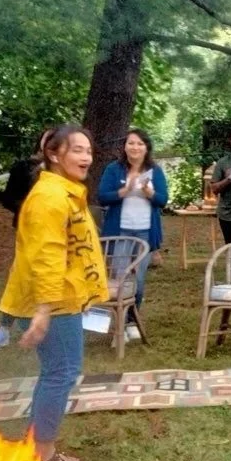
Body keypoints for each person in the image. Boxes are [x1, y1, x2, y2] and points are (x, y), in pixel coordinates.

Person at [0, 125, 108, 461]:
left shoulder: (63, 191)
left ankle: (36, 447)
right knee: (60, 374)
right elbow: (47, 256)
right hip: (55, 302)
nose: (86, 157)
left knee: (57, 373)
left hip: (65, 298)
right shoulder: (49, 197)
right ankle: (41, 456)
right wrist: (44, 310)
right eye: (77, 149)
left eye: (88, 150)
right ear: (54, 154)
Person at [97, 129, 169, 341]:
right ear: (124, 147)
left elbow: (163, 200)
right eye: (131, 143)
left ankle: (130, 320)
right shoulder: (114, 169)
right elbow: (102, 196)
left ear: (146, 148)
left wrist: (149, 193)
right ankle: (120, 323)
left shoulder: (155, 170)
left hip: (145, 232)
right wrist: (125, 190)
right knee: (120, 277)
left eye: (139, 144)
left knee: (137, 278)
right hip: (121, 231)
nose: (135, 148)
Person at [0, 128, 52, 350]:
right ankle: (4, 330)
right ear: (40, 141)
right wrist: (30, 210)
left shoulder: (64, 170)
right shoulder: (24, 167)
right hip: (28, 232)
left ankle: (55, 328)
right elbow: (8, 199)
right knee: (20, 277)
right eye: (47, 138)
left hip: (56, 234)